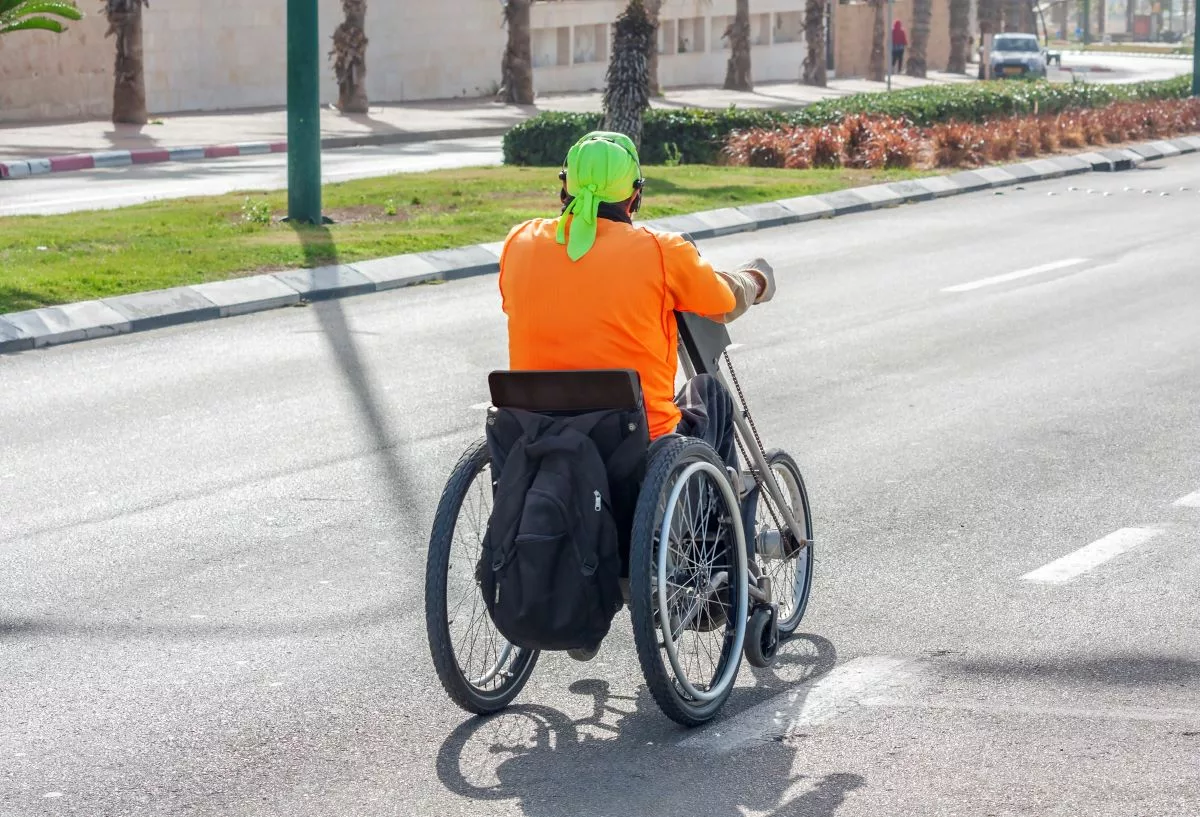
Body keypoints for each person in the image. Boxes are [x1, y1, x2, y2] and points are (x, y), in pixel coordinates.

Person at [498, 131, 775, 481]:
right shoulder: (661, 251)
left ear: (565, 188)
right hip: (640, 445)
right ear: (635, 195)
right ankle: (722, 528)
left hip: (539, 436)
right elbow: (723, 301)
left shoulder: (519, 242)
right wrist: (756, 281)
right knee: (711, 394)